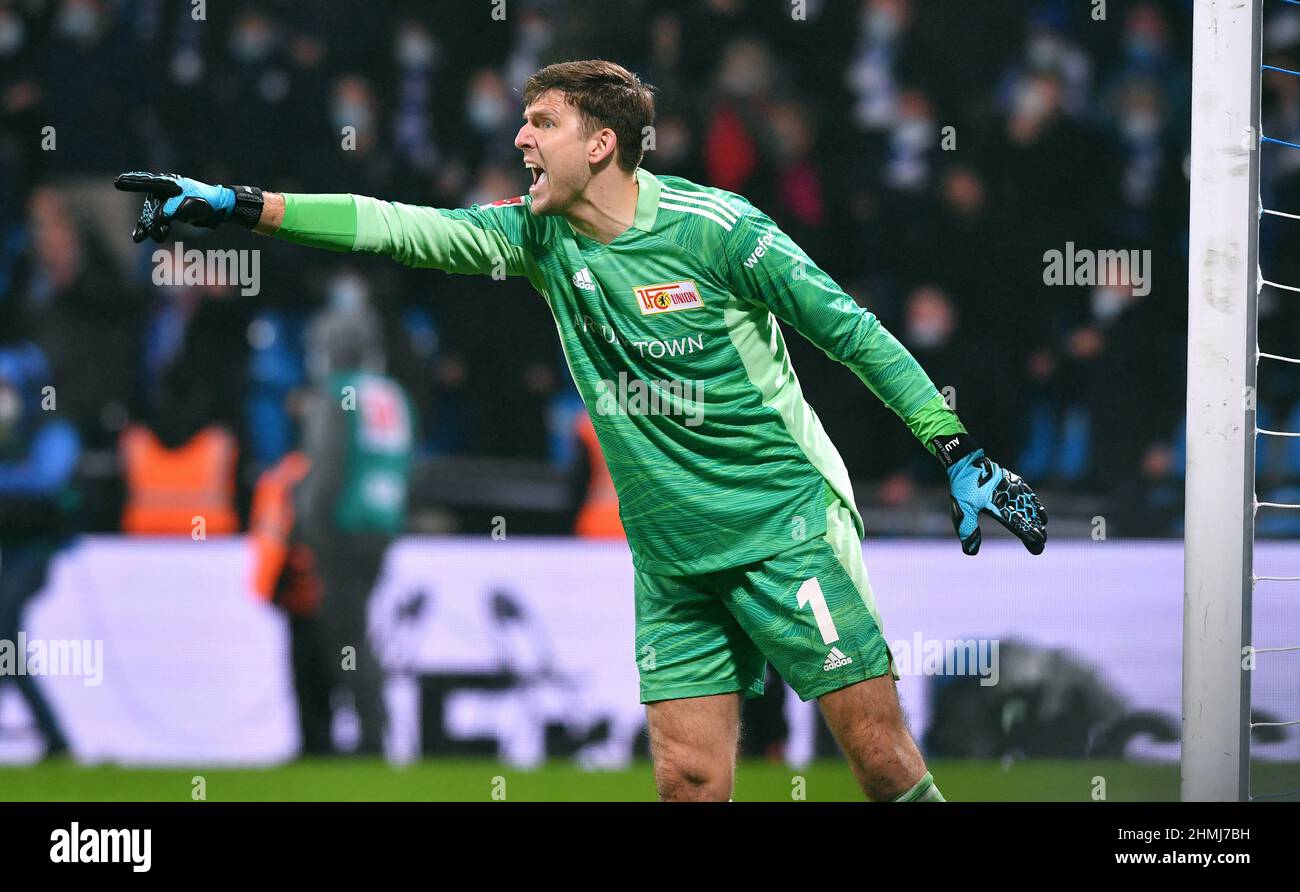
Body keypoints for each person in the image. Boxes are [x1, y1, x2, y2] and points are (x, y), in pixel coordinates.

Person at [113, 59, 1046, 801]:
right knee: (687, 784)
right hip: (672, 555)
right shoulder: (535, 236)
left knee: (880, 763)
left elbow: (853, 333)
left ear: (602, 144)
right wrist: (244, 207)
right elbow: (399, 228)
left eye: (542, 124)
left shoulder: (721, 232)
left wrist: (953, 446)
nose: (519, 138)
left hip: (782, 524)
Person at [293, 304, 414, 757]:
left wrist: (308, 524)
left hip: (341, 528)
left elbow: (325, 468)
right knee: (356, 632)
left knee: (344, 636)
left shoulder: (335, 393)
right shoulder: (392, 395)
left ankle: (370, 735)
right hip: (381, 528)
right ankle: (371, 728)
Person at [0, 341, 80, 758]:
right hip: (4, 552)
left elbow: (45, 483)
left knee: (4, 630)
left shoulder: (51, 431)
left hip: (34, 552)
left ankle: (55, 734)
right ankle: (54, 738)